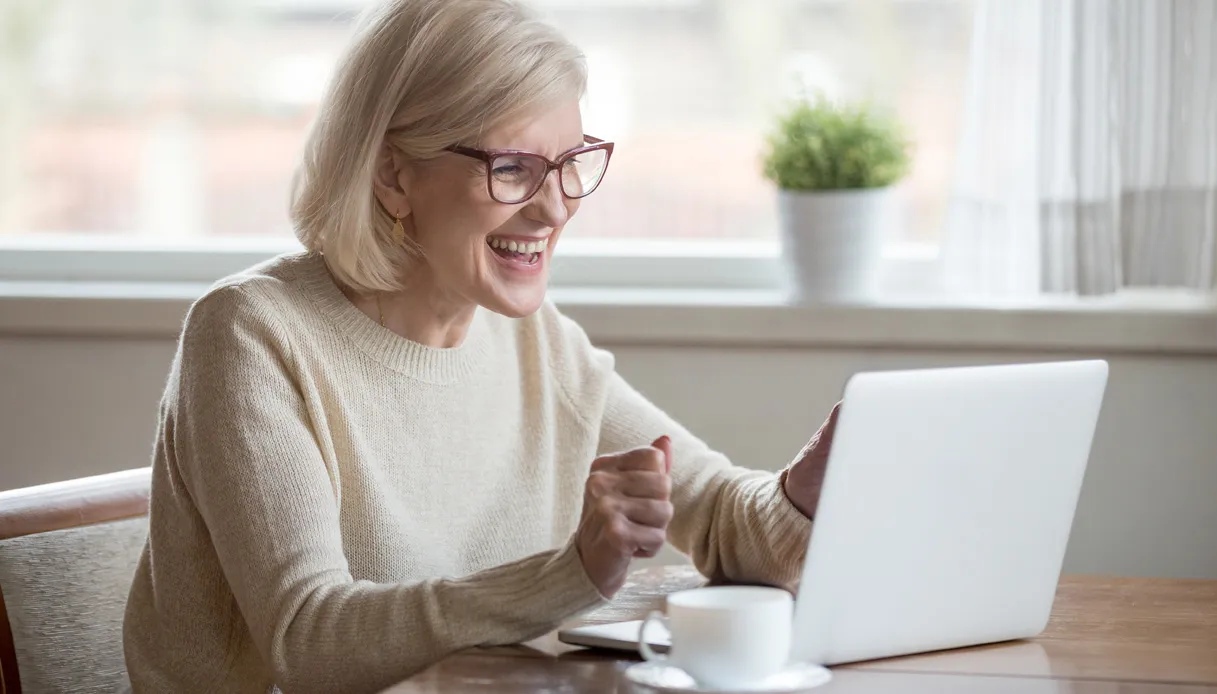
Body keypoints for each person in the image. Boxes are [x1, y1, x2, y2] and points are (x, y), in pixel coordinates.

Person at [121, 0, 840, 692]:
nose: (554, 207)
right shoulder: (251, 333)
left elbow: (718, 515)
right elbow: (311, 644)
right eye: (513, 168)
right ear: (393, 175)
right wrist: (569, 574)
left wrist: (804, 493)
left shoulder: (533, 339)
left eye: (569, 162)